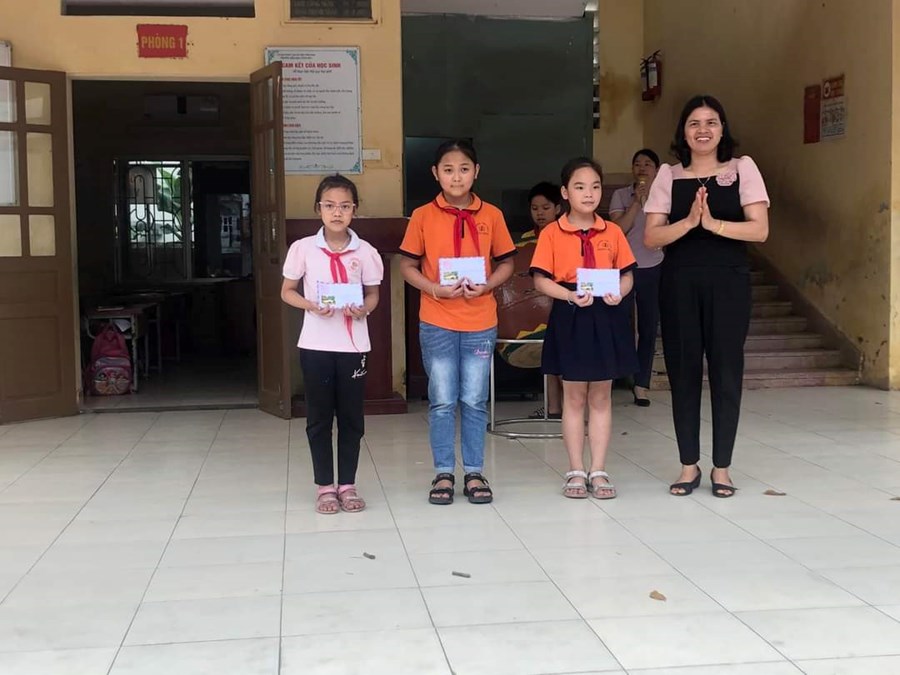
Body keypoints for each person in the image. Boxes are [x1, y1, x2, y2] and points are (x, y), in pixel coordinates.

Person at [644, 95, 769, 498]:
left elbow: (759, 230)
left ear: (722, 129)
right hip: (679, 282)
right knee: (682, 372)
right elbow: (651, 237)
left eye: (711, 122)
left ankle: (722, 468)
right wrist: (688, 223)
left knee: (726, 373)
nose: (703, 130)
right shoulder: (668, 175)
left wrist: (713, 224)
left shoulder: (742, 168)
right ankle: (688, 465)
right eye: (694, 123)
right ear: (683, 132)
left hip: (729, 282)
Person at [399, 139, 517, 505]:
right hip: (437, 320)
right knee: (442, 400)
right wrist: (435, 288)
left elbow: (507, 262)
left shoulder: (492, 215)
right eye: (448, 170)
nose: (456, 176)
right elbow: (406, 265)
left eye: (464, 169)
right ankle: (444, 472)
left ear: (476, 172)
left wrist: (488, 285)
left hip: (480, 319)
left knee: (475, 399)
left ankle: (475, 471)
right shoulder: (422, 215)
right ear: (435, 173)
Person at [530, 157, 638, 500]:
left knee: (602, 396)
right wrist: (568, 296)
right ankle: (576, 470)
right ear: (565, 193)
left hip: (606, 314)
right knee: (574, 397)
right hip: (571, 314)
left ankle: (599, 470)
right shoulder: (552, 232)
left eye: (594, 187)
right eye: (579, 187)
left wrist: (619, 292)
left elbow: (627, 274)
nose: (588, 194)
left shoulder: (613, 231)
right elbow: (540, 279)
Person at [281, 175, 384, 514]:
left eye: (344, 206)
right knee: (319, 417)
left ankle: (348, 485)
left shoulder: (366, 252)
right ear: (318, 209)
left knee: (352, 418)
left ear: (355, 210)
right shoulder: (302, 249)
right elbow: (287, 291)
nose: (337, 212)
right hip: (316, 345)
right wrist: (310, 305)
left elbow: (373, 294)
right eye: (329, 205)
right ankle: (325, 486)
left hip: (354, 347)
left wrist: (364, 309)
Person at [609, 149, 663, 407]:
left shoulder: (664, 196)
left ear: (657, 170)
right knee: (619, 321)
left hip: (654, 265)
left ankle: (641, 384)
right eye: (637, 164)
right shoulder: (621, 195)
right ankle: (617, 374)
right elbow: (618, 229)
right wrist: (635, 202)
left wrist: (649, 200)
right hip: (622, 267)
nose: (642, 168)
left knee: (649, 326)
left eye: (648, 164)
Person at [521, 182, 564, 420]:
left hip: (562, 303)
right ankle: (552, 408)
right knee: (549, 359)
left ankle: (571, 410)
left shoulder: (565, 234)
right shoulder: (525, 241)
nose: (540, 213)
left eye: (546, 208)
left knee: (564, 360)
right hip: (534, 309)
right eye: (535, 208)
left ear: (558, 208)